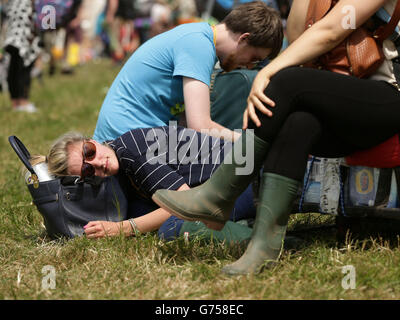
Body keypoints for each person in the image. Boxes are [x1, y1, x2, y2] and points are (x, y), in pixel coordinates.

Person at [152, 0, 400, 275]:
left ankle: (218, 195)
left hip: (391, 95)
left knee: (285, 80)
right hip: (356, 103)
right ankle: (264, 246)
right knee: (299, 122)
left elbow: (329, 32)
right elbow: (297, 38)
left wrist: (267, 71)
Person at [93, 1, 283, 143]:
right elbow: (200, 127)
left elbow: (185, 120)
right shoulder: (198, 46)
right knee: (240, 160)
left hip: (133, 135)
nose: (250, 66)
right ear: (244, 39)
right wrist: (252, 144)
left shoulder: (200, 37)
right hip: (125, 139)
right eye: (253, 58)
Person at [46, 125, 257, 243]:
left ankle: (264, 237)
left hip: (248, 178)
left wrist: (122, 229)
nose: (98, 162)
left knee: (171, 228)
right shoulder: (120, 154)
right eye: (87, 169)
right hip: (233, 179)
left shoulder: (132, 152)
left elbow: (186, 204)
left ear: (91, 140)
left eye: (89, 152)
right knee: (139, 210)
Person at [3, 0, 42, 113]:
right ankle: (22, 101)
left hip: (14, 36)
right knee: (22, 69)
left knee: (15, 67)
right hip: (22, 37)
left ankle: (16, 102)